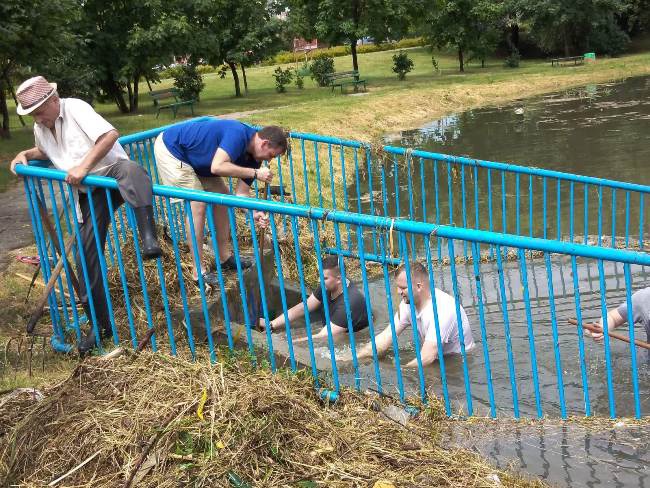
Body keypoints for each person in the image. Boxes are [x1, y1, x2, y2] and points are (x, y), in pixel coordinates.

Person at [9, 76, 162, 354]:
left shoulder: (76, 107)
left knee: (133, 170)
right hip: (88, 192)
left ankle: (149, 238)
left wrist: (83, 166)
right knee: (84, 255)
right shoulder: (41, 125)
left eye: (40, 112)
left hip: (110, 174)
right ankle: (100, 325)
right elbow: (45, 150)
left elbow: (110, 135)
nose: (38, 119)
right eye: (33, 115)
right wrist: (25, 154)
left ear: (54, 100)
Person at [154, 118, 287, 286]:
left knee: (223, 198)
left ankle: (224, 257)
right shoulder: (237, 134)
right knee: (197, 204)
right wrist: (255, 173)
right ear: (265, 143)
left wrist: (254, 212)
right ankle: (198, 272)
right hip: (173, 149)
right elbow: (217, 167)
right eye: (271, 155)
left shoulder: (255, 159)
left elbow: (241, 195)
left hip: (197, 159)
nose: (270, 160)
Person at [356, 261, 475, 367]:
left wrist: (398, 371)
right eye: (397, 287)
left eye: (403, 288)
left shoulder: (443, 309)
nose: (398, 292)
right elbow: (386, 336)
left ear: (418, 286)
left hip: (457, 361)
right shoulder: (408, 303)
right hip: (435, 356)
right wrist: (355, 358)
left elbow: (427, 357)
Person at [259, 256, 369, 342]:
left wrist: (287, 342)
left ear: (339, 279)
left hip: (353, 337)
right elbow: (304, 307)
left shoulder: (349, 303)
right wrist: (271, 324)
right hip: (335, 327)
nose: (319, 280)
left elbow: (323, 337)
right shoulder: (328, 284)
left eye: (324, 278)